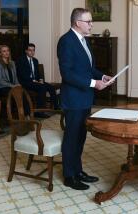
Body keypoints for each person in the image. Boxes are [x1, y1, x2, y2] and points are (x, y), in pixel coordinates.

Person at [57, 8, 113, 190]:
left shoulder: (84, 41)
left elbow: (88, 68)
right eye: (88, 21)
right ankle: (69, 176)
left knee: (80, 136)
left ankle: (78, 171)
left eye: (91, 21)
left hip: (85, 97)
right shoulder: (66, 41)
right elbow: (67, 74)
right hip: (73, 99)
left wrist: (102, 76)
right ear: (77, 22)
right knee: (71, 137)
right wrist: (93, 83)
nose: (91, 24)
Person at [16, 43, 59, 115]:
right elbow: (22, 75)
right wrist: (33, 80)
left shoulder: (35, 60)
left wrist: (40, 79)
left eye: (33, 50)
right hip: (26, 82)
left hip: (35, 82)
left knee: (50, 87)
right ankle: (40, 112)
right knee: (42, 87)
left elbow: (38, 74)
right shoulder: (21, 60)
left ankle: (56, 108)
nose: (32, 52)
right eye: (30, 50)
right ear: (26, 51)